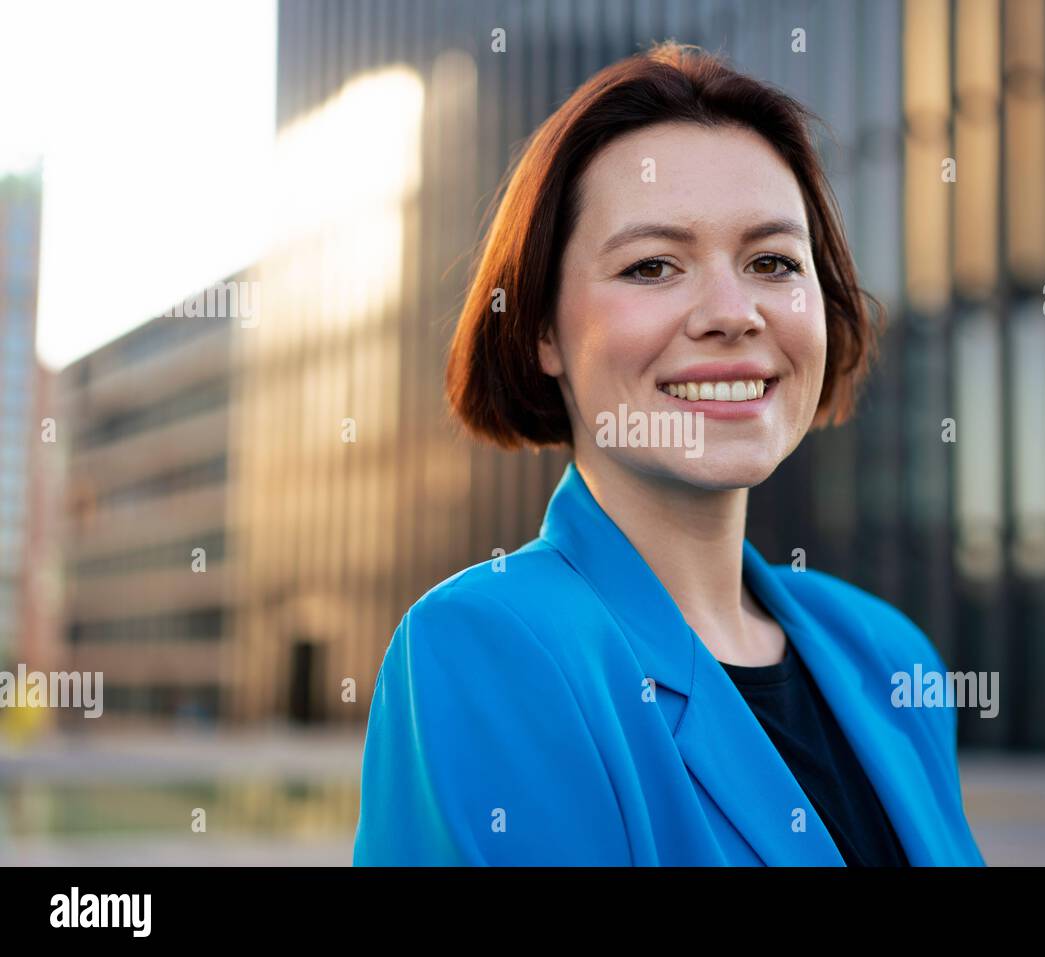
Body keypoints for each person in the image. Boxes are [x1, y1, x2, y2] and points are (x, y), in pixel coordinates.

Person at [353, 41, 985, 866]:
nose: (733, 312)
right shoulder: (485, 645)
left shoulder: (890, 654)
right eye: (652, 265)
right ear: (544, 329)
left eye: (772, 262)